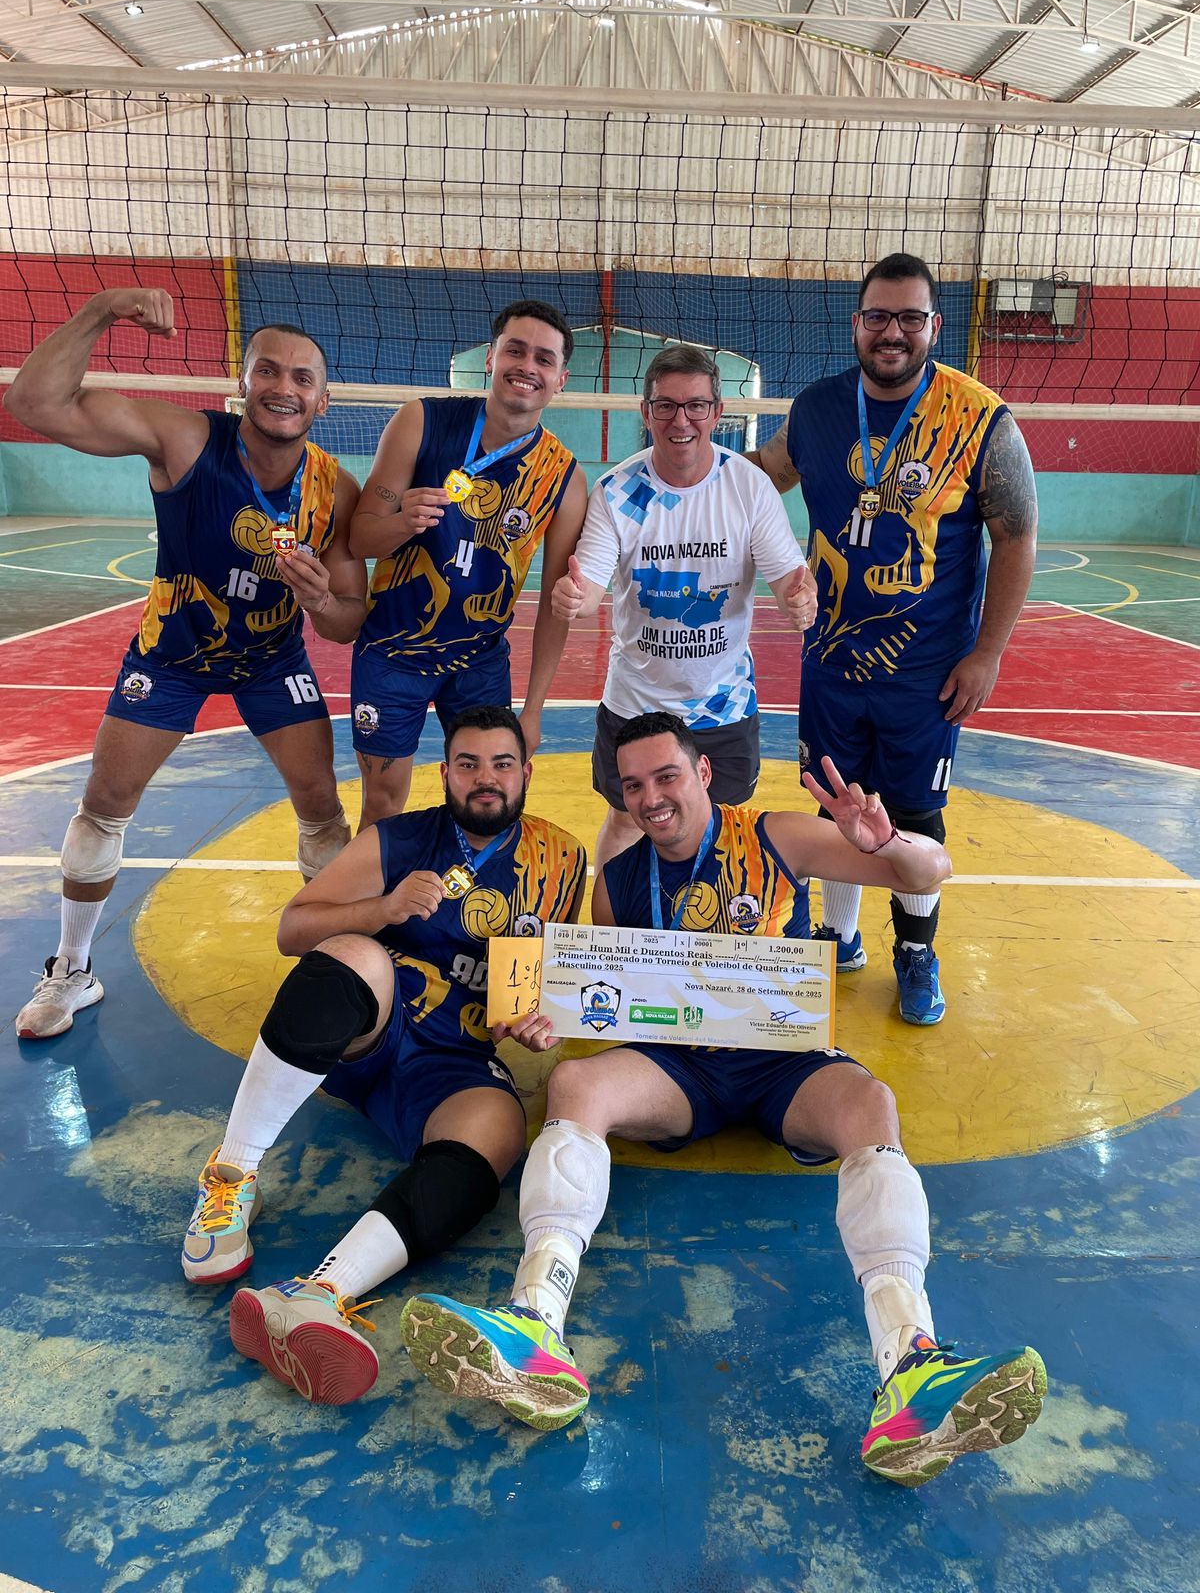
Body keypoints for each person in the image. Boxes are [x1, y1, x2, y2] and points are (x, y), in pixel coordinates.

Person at [398, 712, 1047, 1486]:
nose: (650, 797)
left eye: (666, 776)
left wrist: (886, 844)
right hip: (682, 1069)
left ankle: (912, 1365)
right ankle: (535, 1321)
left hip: (783, 1061)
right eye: (633, 785)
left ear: (703, 772)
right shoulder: (619, 881)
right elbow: (608, 998)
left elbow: (929, 874)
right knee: (574, 1085)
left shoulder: (778, 836)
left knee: (871, 1104)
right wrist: (550, 1021)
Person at [180, 705, 587, 1406]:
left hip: (454, 1059)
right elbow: (293, 929)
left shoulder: (562, 859)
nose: (485, 779)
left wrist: (536, 1018)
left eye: (501, 764)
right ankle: (231, 1176)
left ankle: (318, 1295)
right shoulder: (399, 839)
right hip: (374, 1029)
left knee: (498, 1132)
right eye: (468, 764)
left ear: (525, 772)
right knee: (354, 953)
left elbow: (555, 971)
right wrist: (384, 909)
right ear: (445, 773)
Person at [7, 290, 365, 1041]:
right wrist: (103, 309)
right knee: (105, 800)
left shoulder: (337, 490)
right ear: (243, 382)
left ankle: (332, 965)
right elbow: (35, 405)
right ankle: (73, 967)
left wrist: (321, 598)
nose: (283, 388)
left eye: (302, 378)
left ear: (323, 400)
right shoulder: (186, 439)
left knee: (321, 806)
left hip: (272, 659)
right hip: (172, 656)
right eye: (268, 371)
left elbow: (346, 622)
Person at [747, 252, 1038, 1025]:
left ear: (934, 326)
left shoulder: (980, 419)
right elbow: (761, 473)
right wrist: (675, 469)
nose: (893, 332)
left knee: (912, 813)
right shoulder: (817, 408)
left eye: (910, 317)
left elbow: (1016, 537)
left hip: (927, 670)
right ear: (857, 323)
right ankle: (839, 937)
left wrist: (987, 653)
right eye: (878, 316)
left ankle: (914, 950)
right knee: (834, 801)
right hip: (830, 658)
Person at [551, 344, 816, 873]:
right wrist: (575, 599)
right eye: (666, 405)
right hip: (636, 703)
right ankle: (615, 921)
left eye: (696, 405)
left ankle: (713, 919)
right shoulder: (618, 491)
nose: (681, 420)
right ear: (646, 412)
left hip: (722, 702)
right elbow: (591, 587)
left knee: (725, 826)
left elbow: (789, 577)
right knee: (627, 821)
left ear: (717, 413)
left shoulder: (748, 486)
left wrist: (799, 598)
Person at [347, 301, 588, 827]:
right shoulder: (421, 420)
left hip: (478, 664)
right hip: (392, 653)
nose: (527, 366)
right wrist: (402, 522)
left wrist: (533, 710)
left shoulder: (565, 478)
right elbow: (360, 538)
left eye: (544, 359)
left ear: (561, 379)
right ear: (491, 358)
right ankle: (375, 886)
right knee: (382, 806)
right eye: (515, 350)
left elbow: (556, 605)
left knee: (488, 803)